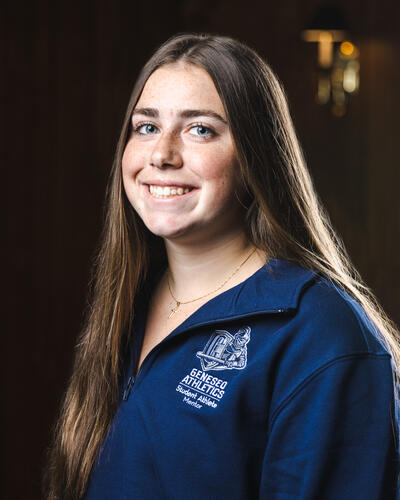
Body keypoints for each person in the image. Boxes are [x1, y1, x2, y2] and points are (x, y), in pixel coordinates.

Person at [44, 33, 400, 499]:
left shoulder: (322, 336)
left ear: (255, 155)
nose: (162, 155)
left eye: (201, 130)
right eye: (146, 127)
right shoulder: (127, 302)